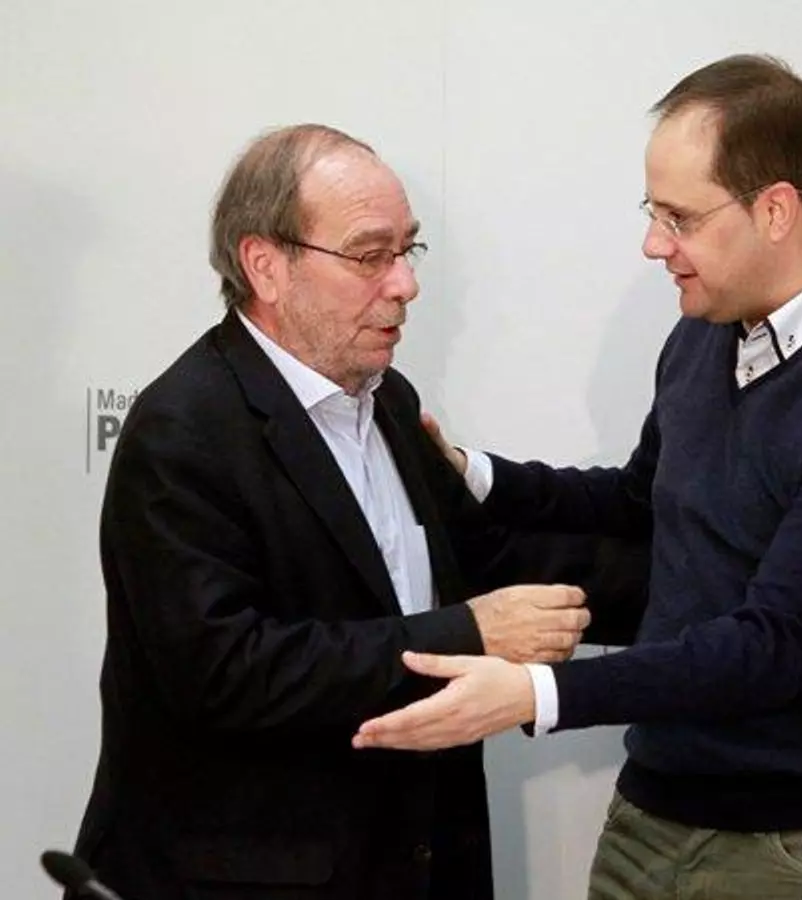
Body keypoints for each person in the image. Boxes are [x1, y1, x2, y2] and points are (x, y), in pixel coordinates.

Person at [355, 55, 802, 899]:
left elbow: (773, 647)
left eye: (679, 218)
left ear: (776, 210)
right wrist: (474, 475)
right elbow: (641, 500)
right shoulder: (708, 328)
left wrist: (536, 692)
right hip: (656, 811)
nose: (655, 245)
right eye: (654, 214)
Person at [69, 123, 646, 900]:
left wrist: (710, 588)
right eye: (370, 256)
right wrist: (468, 634)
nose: (404, 284)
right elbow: (225, 672)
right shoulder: (185, 429)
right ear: (265, 266)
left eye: (408, 250)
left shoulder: (387, 400)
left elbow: (487, 559)